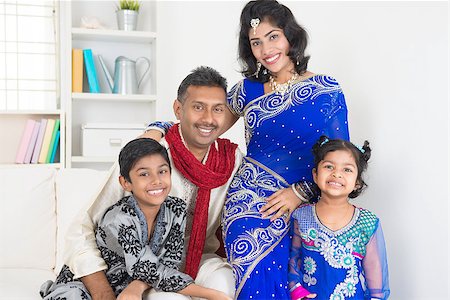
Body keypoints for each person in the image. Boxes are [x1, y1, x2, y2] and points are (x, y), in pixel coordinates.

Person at [62, 66, 242, 300]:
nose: (208, 118)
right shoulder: (147, 157)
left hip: (200, 259)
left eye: (217, 109)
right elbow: (80, 228)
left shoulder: (230, 159)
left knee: (227, 285)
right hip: (140, 268)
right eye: (198, 107)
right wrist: (103, 293)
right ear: (178, 109)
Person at [221, 1, 351, 298]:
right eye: (256, 42)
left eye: (273, 36)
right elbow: (204, 124)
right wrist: (161, 127)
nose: (266, 49)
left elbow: (342, 158)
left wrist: (300, 192)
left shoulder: (325, 90)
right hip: (250, 206)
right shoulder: (247, 90)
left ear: (290, 35)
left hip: (309, 203)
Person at [40, 138, 231, 300]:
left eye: (162, 171)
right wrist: (213, 295)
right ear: (126, 183)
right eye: (144, 174)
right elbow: (146, 269)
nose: (156, 180)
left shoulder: (176, 209)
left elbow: (170, 262)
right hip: (87, 284)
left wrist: (137, 287)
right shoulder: (118, 218)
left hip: (130, 285)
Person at [289, 135, 390, 299]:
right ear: (315, 174)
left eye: (347, 169)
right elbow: (293, 259)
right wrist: (297, 289)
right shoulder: (301, 215)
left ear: (357, 182)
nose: (337, 174)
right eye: (329, 166)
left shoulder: (368, 222)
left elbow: (376, 281)